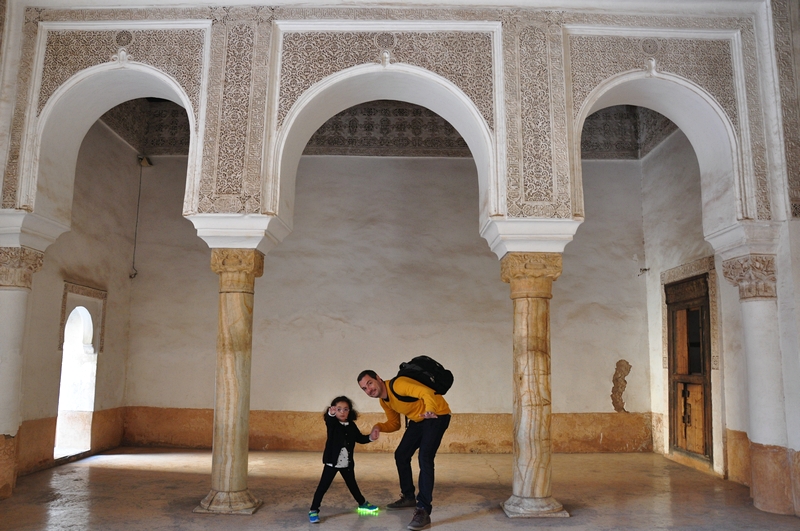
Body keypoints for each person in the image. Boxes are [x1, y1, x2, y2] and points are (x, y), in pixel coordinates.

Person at [357, 369, 451, 531]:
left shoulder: (398, 385)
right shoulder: (384, 400)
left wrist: (430, 409)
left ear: (378, 378)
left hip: (437, 415)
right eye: (364, 388)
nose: (369, 390)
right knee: (401, 454)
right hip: (419, 420)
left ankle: (423, 509)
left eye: (370, 383)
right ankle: (408, 497)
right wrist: (378, 426)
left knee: (425, 458)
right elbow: (395, 424)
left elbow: (427, 392)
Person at [308, 396, 378, 524]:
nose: (342, 412)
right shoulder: (333, 424)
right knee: (323, 486)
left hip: (347, 464)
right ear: (333, 410)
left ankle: (362, 503)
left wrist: (371, 437)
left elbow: (360, 438)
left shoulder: (351, 425)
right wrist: (330, 414)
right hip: (332, 463)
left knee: (352, 484)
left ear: (350, 411)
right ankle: (313, 510)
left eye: (346, 409)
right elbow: (329, 420)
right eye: (338, 409)